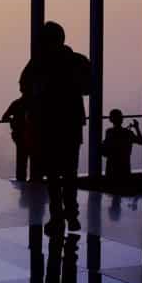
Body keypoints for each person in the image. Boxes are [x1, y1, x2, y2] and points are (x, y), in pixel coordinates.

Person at [20, 21, 91, 234]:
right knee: (70, 171)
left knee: (52, 174)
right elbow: (88, 87)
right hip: (71, 124)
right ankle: (71, 212)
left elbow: (25, 87)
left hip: (48, 124)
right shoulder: (78, 61)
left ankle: (57, 215)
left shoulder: (39, 63)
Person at [101, 109, 142, 193]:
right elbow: (140, 141)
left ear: (111, 120)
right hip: (124, 164)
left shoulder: (109, 132)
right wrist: (137, 128)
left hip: (112, 164)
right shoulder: (128, 133)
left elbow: (106, 148)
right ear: (122, 119)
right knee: (122, 188)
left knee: (112, 189)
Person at [2, 83, 32, 182]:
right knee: (35, 162)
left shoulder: (16, 103)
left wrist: (13, 121)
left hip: (19, 136)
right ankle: (34, 184)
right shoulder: (35, 104)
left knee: (21, 162)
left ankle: (21, 183)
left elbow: (4, 117)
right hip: (33, 136)